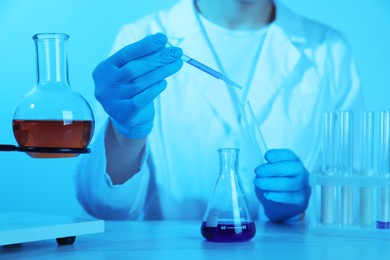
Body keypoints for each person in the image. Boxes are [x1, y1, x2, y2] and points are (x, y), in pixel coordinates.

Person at [75, 0, 363, 222]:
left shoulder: (329, 51)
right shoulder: (140, 38)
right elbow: (105, 206)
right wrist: (126, 134)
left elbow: (355, 199)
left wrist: (299, 208)